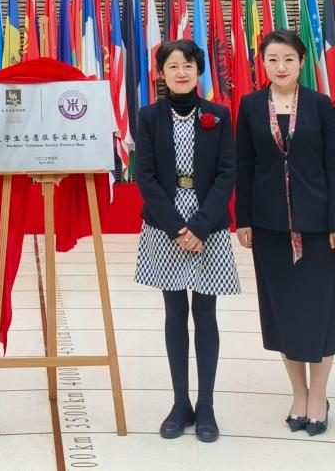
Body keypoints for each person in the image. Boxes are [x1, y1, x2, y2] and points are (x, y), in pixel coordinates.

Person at [234, 29, 335, 437]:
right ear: (262, 63)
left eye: (288, 59)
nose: (280, 66)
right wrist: (243, 219)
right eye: (272, 59)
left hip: (317, 228)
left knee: (320, 313)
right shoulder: (250, 106)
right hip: (269, 228)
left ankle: (318, 395)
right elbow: (244, 166)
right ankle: (298, 393)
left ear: (301, 62)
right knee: (282, 313)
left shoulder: (320, 105)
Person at [134, 40, 239, 443]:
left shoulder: (218, 115)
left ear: (199, 71)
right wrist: (178, 228)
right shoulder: (148, 116)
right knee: (175, 312)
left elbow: (227, 174)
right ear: (161, 73)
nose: (181, 72)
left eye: (189, 66)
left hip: (208, 221)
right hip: (166, 224)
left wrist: (200, 226)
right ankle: (180, 403)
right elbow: (145, 176)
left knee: (206, 314)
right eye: (173, 66)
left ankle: (206, 404)